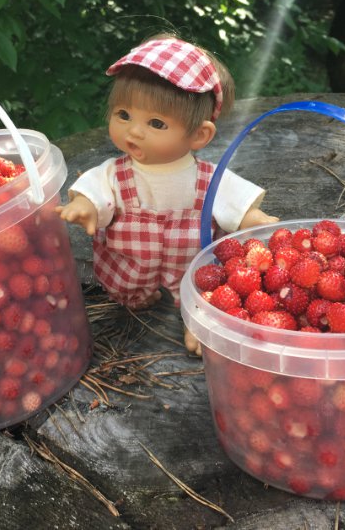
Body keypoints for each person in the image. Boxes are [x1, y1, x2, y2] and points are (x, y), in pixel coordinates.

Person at [56, 34, 278, 354]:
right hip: (128, 267)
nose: (134, 131)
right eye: (123, 115)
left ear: (199, 135)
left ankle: (198, 321)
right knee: (126, 292)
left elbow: (234, 201)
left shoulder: (207, 178)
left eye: (156, 123)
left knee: (202, 292)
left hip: (189, 266)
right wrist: (85, 205)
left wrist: (251, 217)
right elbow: (97, 191)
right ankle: (136, 297)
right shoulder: (115, 173)